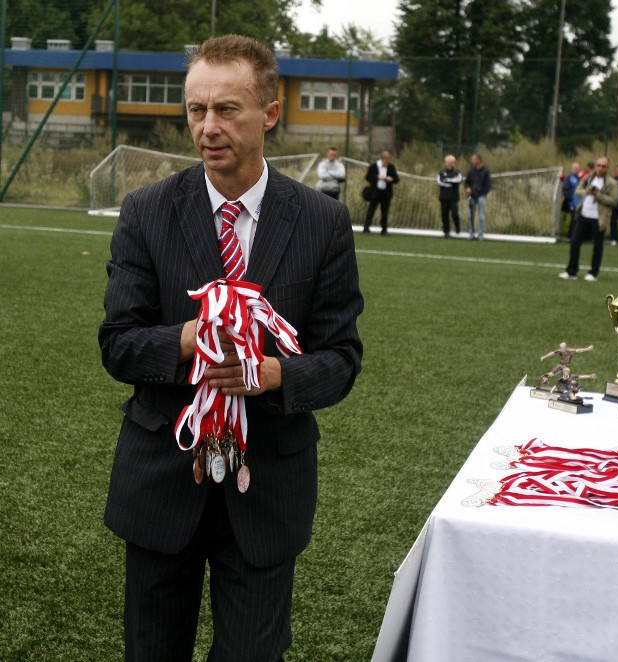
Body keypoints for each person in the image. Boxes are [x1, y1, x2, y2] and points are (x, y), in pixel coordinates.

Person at [98, 34, 364, 661]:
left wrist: (273, 375)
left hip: (268, 490)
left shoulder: (322, 223)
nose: (208, 127)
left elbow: (342, 358)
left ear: (269, 113)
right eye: (196, 110)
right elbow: (118, 345)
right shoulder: (147, 212)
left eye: (227, 109)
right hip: (163, 481)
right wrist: (188, 339)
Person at [558, 156, 618, 282]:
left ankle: (593, 273)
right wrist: (587, 191)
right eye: (598, 165)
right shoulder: (589, 178)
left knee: (597, 246)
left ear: (608, 168)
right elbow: (577, 190)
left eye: (603, 166)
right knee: (574, 242)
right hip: (584, 215)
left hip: (599, 219)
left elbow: (614, 201)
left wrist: (598, 195)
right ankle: (571, 271)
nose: (600, 168)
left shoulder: (611, 183)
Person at [364, 150, 398, 235]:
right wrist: (377, 177)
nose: (387, 161)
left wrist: (391, 179)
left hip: (386, 193)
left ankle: (384, 229)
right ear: (382, 159)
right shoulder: (374, 166)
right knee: (371, 211)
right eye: (386, 159)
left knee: (385, 212)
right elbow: (368, 177)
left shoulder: (391, 167)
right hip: (375, 192)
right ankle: (366, 228)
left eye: (388, 159)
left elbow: (396, 179)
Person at [465, 152, 491, 240]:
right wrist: (468, 188)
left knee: (481, 216)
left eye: (474, 159)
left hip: (481, 197)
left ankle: (480, 234)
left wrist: (482, 193)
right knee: (470, 216)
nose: (472, 161)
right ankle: (471, 233)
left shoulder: (486, 171)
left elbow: (488, 185)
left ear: (479, 160)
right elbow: (467, 182)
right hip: (472, 196)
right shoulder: (471, 171)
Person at [436, 154, 464, 236]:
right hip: (443, 197)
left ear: (453, 163)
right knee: (444, 215)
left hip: (453, 197)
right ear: (445, 163)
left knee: (455, 214)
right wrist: (450, 182)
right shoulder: (441, 172)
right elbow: (439, 182)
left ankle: (457, 227)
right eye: (447, 162)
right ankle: (446, 231)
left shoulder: (457, 172)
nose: (449, 164)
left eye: (451, 162)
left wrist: (447, 180)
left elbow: (458, 180)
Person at [561, 162, 581, 240]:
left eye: (579, 168)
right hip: (572, 202)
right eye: (577, 168)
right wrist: (571, 199)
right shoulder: (569, 178)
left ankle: (573, 235)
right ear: (573, 168)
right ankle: (571, 236)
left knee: (576, 219)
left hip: (578, 202)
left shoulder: (578, 178)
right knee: (574, 218)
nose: (578, 170)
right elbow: (565, 190)